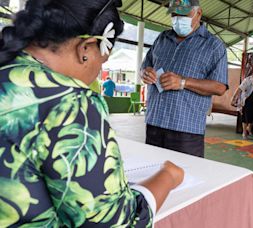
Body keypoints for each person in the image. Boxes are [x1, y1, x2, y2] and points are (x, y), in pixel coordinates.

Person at [0, 0, 183, 227]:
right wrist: (168, 177)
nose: (98, 73)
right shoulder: (70, 101)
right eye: (103, 61)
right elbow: (112, 222)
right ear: (85, 49)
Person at [141, 0, 228, 158]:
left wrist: (183, 82)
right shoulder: (162, 39)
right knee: (151, 173)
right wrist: (145, 73)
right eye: (174, 14)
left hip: (186, 131)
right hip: (154, 124)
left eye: (183, 14)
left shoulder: (213, 46)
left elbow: (220, 87)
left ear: (198, 13)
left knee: (186, 177)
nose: (178, 18)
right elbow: (145, 66)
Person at [231, 71, 253, 139]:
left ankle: (249, 127)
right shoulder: (247, 80)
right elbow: (239, 89)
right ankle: (244, 133)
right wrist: (234, 98)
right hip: (247, 101)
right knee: (245, 117)